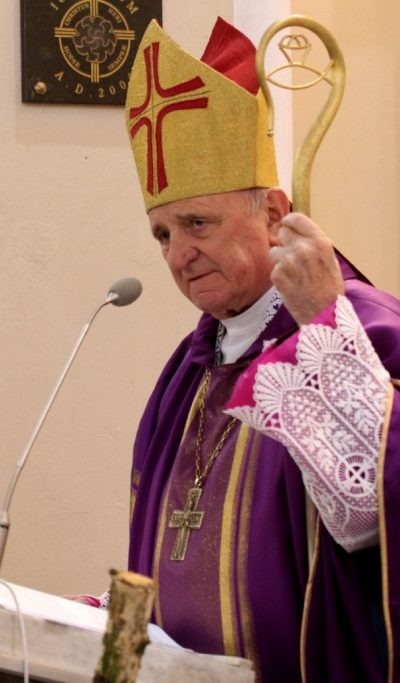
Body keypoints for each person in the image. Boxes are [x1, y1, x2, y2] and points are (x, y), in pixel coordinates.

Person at [123, 18, 400, 681]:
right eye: (163, 234)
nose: (179, 255)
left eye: (197, 223)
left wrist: (324, 323)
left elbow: (372, 517)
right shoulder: (188, 370)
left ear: (274, 215)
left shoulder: (363, 328)